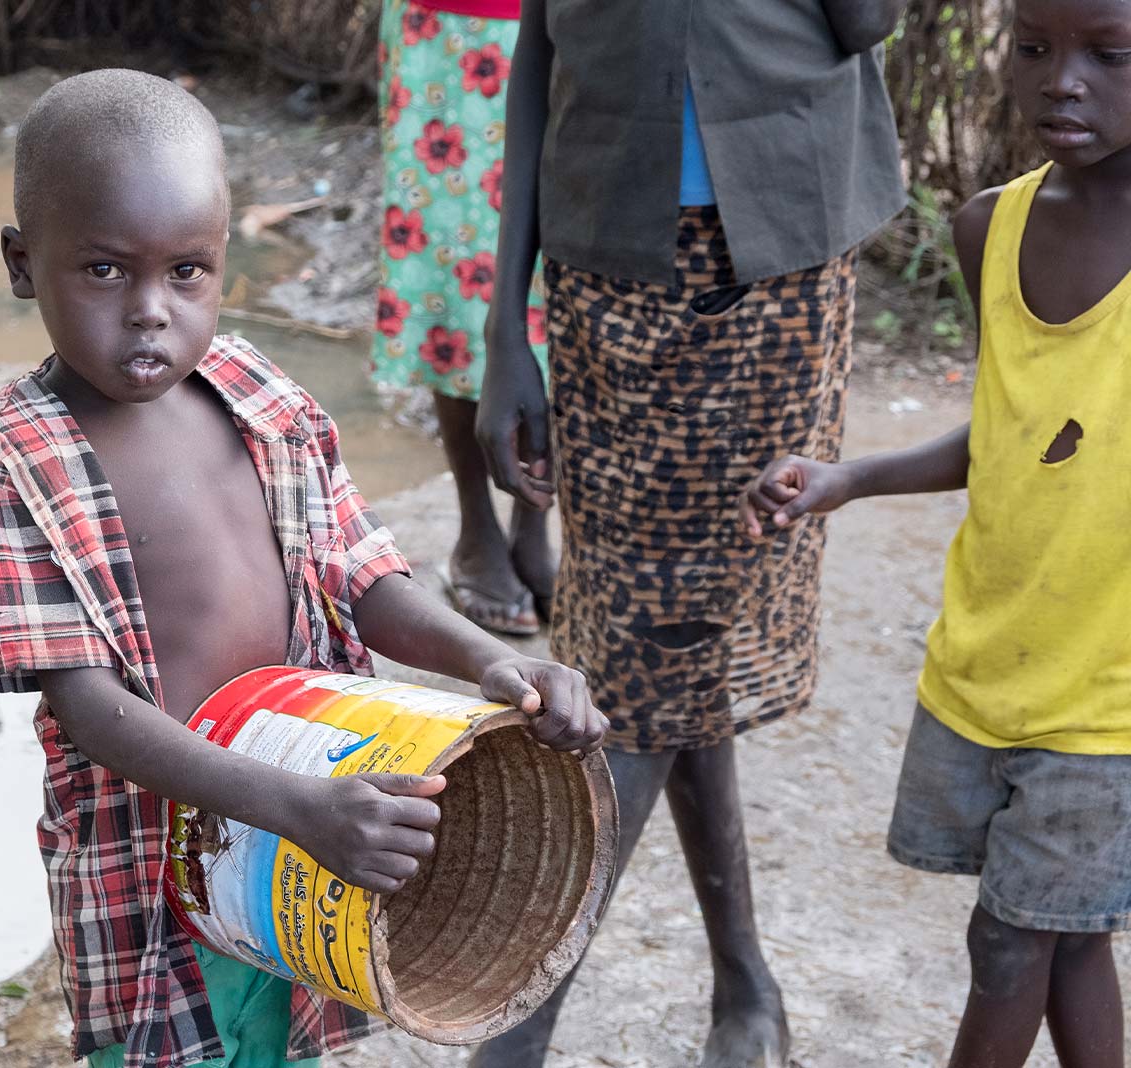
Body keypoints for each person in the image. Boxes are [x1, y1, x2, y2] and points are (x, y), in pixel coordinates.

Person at [0, 69, 607, 1068]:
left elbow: (361, 574)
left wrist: (491, 659)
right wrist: (294, 809)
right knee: (177, 1046)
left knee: (288, 1032)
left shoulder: (259, 392)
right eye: (103, 270)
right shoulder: (13, 455)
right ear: (21, 263)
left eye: (187, 272)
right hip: (159, 857)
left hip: (316, 814)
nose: (149, 311)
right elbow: (86, 705)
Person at [472, 0, 905, 1064]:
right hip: (604, 276)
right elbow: (539, 55)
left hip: (780, 274)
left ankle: (528, 1019)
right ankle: (741, 978)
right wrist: (504, 328)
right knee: (646, 647)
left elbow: (865, 20)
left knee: (672, 646)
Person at [740, 0, 1131, 1061]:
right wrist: (848, 479)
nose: (1062, 80)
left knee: (1008, 944)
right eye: (1034, 48)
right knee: (1067, 942)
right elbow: (1019, 433)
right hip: (983, 666)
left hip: (1108, 707)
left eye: (1109, 55)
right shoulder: (990, 227)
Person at [369, 0, 554, 635]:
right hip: (448, 27)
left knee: (558, 265)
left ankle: (534, 524)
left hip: (585, 19)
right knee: (454, 272)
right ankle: (477, 529)